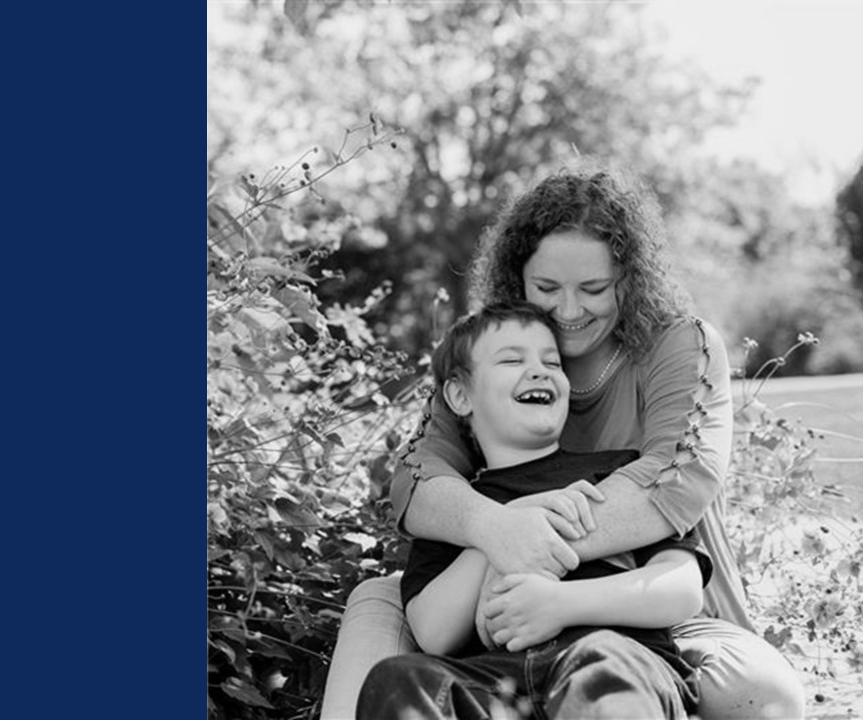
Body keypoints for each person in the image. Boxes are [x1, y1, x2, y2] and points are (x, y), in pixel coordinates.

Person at [321, 164, 805, 720]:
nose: (569, 311)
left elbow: (676, 481)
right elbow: (415, 480)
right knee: (380, 611)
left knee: (761, 694)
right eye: (547, 289)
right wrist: (494, 530)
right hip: (492, 616)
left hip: (642, 604)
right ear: (517, 279)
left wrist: (527, 553)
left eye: (593, 289)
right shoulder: (493, 352)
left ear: (629, 278)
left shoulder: (676, 343)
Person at [357, 300, 709, 719]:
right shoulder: (458, 509)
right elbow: (434, 633)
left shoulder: (616, 474)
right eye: (512, 360)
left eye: (552, 362)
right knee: (399, 678)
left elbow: (682, 588)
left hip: (613, 659)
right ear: (460, 395)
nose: (540, 371)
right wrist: (499, 533)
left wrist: (561, 603)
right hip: (496, 682)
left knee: (602, 662)